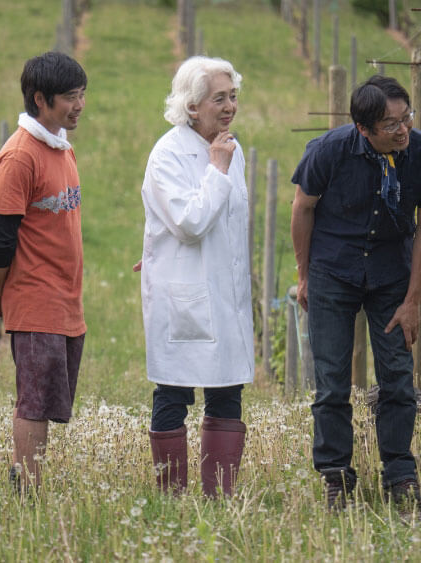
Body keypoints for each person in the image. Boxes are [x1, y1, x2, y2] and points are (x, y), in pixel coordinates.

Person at [290, 75, 421, 508]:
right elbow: (302, 208)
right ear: (364, 128)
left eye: (406, 118)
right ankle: (336, 479)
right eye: (390, 125)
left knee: (398, 378)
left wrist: (412, 300)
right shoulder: (328, 151)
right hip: (332, 270)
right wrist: (304, 277)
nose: (403, 130)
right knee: (331, 384)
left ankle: (400, 476)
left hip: (391, 275)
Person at [140, 56, 253, 498]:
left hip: (224, 293)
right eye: (218, 98)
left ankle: (218, 495)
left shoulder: (229, 147)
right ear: (191, 106)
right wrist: (218, 169)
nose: (229, 107)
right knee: (174, 390)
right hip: (183, 297)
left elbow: (230, 222)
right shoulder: (168, 153)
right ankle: (173, 497)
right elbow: (189, 222)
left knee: (227, 389)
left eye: (233, 97)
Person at [0, 51, 87, 495]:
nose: (79, 104)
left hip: (65, 301)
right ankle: (25, 491)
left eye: (83, 94)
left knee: (45, 402)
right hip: (34, 299)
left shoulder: (61, 148)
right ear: (40, 99)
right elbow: (0, 238)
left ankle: (28, 483)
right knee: (34, 402)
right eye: (70, 97)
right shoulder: (20, 157)